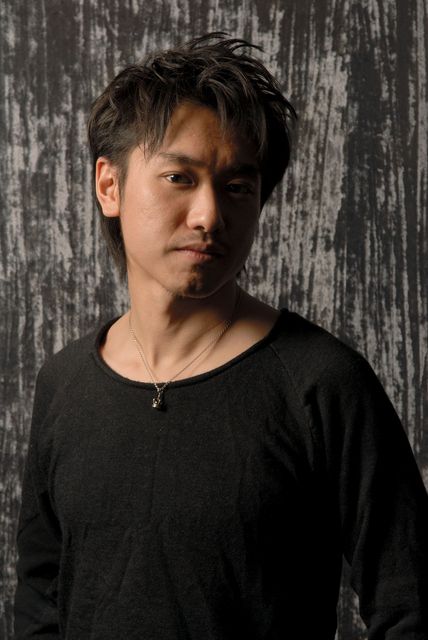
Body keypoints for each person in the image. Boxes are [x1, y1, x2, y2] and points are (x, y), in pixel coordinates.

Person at [14, 33, 428, 639]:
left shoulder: (321, 382)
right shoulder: (64, 382)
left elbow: (411, 603)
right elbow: (40, 598)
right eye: (179, 177)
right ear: (109, 186)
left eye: (237, 187)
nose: (210, 216)